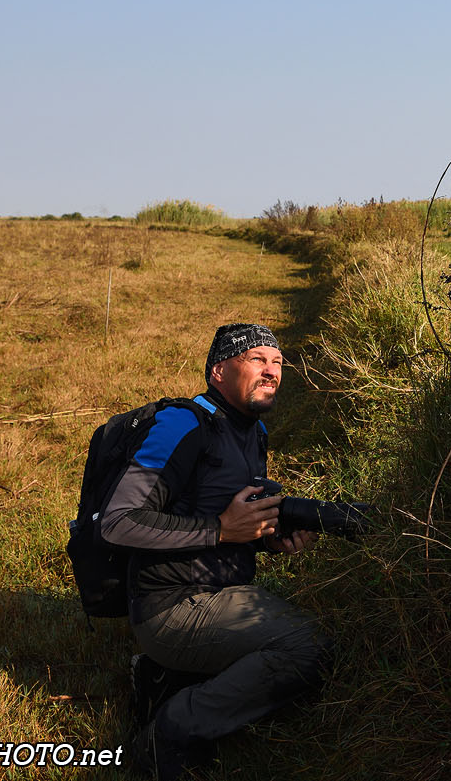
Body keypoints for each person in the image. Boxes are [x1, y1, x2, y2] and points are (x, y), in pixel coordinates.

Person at [101, 322, 330, 779]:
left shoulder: (253, 429)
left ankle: (164, 679)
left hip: (217, 593)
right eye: (257, 360)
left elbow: (224, 514)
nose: (271, 371)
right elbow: (118, 521)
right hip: (170, 605)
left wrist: (269, 537)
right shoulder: (183, 424)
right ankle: (172, 729)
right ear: (218, 372)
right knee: (309, 647)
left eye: (278, 362)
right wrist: (221, 531)